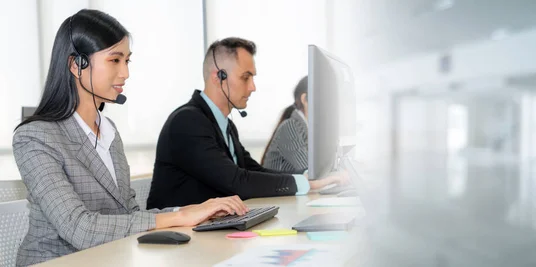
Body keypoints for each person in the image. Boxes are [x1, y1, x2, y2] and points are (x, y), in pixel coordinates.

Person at [12, 10, 247, 266]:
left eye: (127, 61)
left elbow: (130, 216)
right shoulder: (35, 137)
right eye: (115, 60)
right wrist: (181, 215)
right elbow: (78, 227)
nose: (125, 73)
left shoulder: (109, 131)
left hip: (111, 258)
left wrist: (200, 212)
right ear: (76, 65)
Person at [147, 38, 344, 209]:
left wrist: (308, 180)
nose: (253, 87)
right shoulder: (187, 122)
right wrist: (307, 183)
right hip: (176, 238)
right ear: (219, 77)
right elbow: (237, 181)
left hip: (209, 229)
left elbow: (253, 171)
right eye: (245, 77)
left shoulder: (226, 125)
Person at [261, 76, 308, 172]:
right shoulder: (291, 127)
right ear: (305, 99)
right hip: (276, 187)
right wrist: (338, 177)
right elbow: (312, 175)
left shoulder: (308, 130)